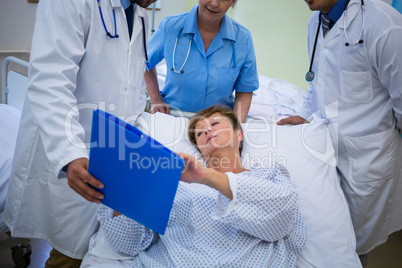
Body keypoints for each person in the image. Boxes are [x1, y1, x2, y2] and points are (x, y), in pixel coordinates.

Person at [4, 0, 156, 267]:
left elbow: (129, 85)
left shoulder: (139, 13)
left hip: (112, 151)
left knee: (95, 249)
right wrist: (70, 154)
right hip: (74, 146)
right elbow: (50, 81)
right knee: (70, 254)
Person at [80, 105, 306, 267]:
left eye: (215, 123)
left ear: (239, 135)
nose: (207, 130)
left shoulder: (269, 175)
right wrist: (124, 187)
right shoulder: (174, 184)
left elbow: (281, 221)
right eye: (200, 132)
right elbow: (128, 243)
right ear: (199, 147)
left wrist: (207, 177)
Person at [277, 0, 402, 266]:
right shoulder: (316, 22)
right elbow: (317, 80)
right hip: (324, 151)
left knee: (353, 249)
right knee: (325, 239)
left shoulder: (384, 24)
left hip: (367, 161)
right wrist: (305, 114)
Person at [144, 0, 259, 123]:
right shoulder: (170, 27)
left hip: (217, 124)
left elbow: (245, 89)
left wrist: (235, 125)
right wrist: (156, 100)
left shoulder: (242, 38)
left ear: (232, 2)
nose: (214, 4)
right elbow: (145, 64)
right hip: (173, 118)